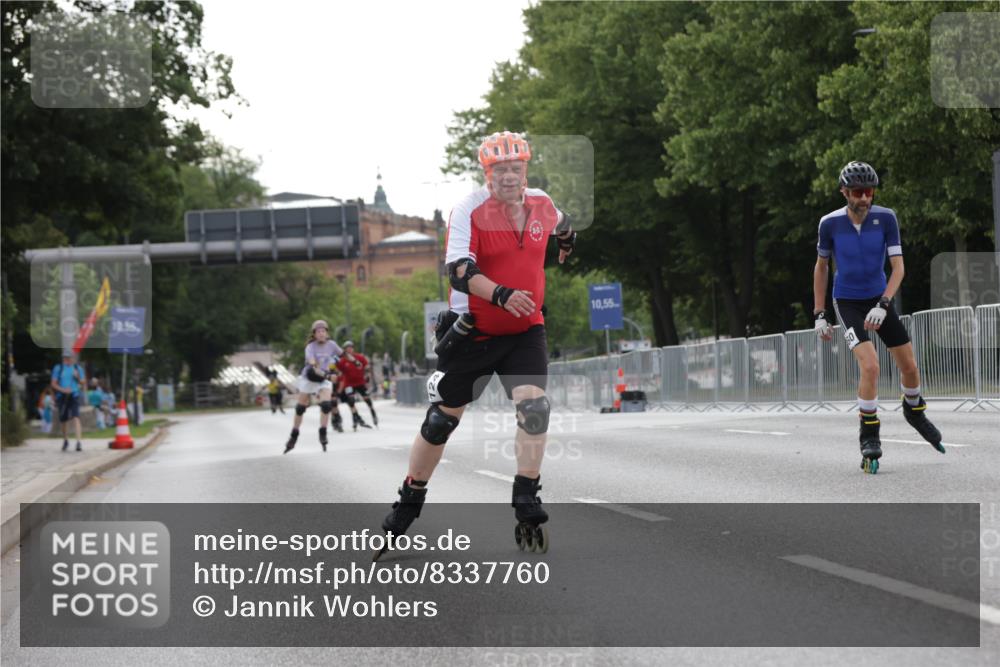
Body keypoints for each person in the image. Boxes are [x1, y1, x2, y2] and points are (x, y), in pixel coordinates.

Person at [375, 131, 577, 559]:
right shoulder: (469, 209)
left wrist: (565, 243)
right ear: (487, 173)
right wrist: (501, 294)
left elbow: (562, 222)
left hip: (526, 329)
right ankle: (409, 501)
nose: (508, 176)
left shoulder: (541, 201)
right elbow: (459, 271)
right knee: (441, 422)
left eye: (515, 168)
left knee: (534, 408)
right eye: (499, 170)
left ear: (526, 169)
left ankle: (526, 497)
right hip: (475, 330)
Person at [814, 161, 945, 474]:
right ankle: (869, 435)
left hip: (878, 299)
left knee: (910, 367)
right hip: (846, 302)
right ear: (844, 192)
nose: (864, 198)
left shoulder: (886, 218)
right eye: (858, 192)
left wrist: (884, 303)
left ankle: (914, 410)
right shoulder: (829, 224)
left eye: (869, 192)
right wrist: (819, 313)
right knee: (870, 366)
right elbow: (821, 267)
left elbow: (898, 267)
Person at [284, 320, 343, 454]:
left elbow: (342, 356)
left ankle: (322, 431)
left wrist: (355, 362)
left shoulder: (332, 345)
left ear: (327, 333)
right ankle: (294, 434)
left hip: (324, 379)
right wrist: (328, 376)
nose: (321, 334)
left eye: (323, 331)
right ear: (314, 334)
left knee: (327, 405)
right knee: (300, 408)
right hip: (310, 377)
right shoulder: (310, 347)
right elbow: (313, 366)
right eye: (318, 332)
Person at [336, 340, 376, 429]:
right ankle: (355, 418)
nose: (349, 350)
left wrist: (367, 375)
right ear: (345, 350)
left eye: (351, 348)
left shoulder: (359, 357)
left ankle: (372, 411)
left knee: (367, 399)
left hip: (360, 382)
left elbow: (367, 367)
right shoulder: (342, 361)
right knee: (351, 401)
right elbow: (339, 372)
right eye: (347, 348)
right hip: (349, 383)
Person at [51, 350, 86, 452]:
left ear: (73, 358)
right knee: (63, 420)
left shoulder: (77, 368)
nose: (67, 360)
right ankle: (65, 440)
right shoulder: (58, 368)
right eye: (65, 358)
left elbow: (83, 382)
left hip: (74, 395)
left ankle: (78, 442)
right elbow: (53, 383)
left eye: (69, 358)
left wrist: (78, 377)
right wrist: (63, 390)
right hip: (62, 396)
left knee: (76, 417)